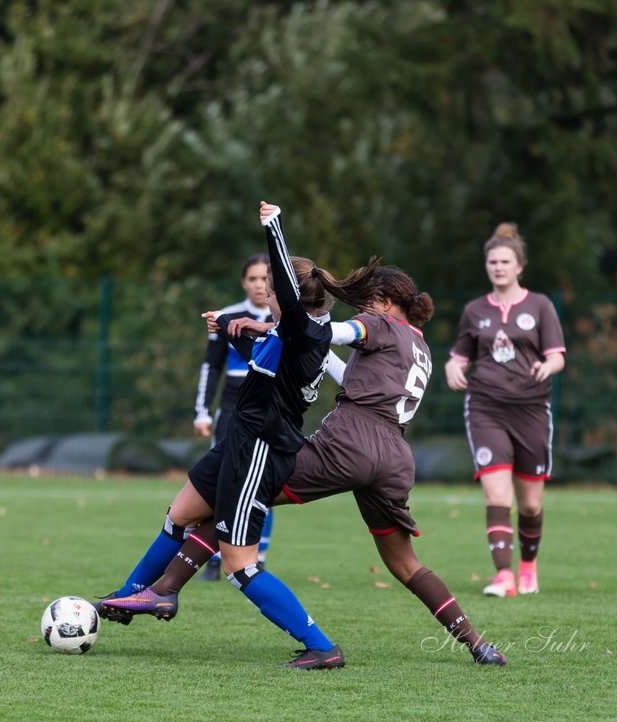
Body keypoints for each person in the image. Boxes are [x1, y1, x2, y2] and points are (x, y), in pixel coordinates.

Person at [101, 247, 507, 666]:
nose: (362, 308)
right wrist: (267, 330)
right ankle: (479, 645)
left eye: (368, 300)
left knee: (237, 495)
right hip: (394, 456)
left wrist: (263, 328)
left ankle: (164, 590)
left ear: (387, 303)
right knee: (406, 565)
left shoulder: (379, 323)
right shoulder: (420, 347)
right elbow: (336, 366)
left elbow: (324, 336)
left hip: (349, 444)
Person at [100, 201, 345, 669]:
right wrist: (236, 332)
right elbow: (267, 358)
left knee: (239, 565)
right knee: (180, 514)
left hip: (260, 452)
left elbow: (286, 313)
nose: (266, 298)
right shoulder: (289, 332)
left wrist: (275, 228)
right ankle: (132, 595)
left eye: (271, 292)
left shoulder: (306, 331)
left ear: (289, 297)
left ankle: (321, 646)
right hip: (239, 440)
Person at [444, 223, 565, 597]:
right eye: (492, 262)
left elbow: (557, 356)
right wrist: (452, 367)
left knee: (529, 505)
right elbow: (459, 356)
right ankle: (503, 576)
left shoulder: (540, 305)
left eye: (505, 261)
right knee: (498, 496)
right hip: (486, 407)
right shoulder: (475, 310)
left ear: (519, 267)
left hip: (531, 409)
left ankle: (527, 566)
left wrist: (548, 366)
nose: (498, 267)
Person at [192, 254, 275, 579]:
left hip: (269, 406)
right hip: (232, 407)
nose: (258, 285)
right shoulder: (226, 317)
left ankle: (258, 555)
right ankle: (214, 558)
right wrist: (202, 412)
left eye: (264, 279)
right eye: (252, 278)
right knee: (222, 482)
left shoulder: (283, 319)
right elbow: (210, 366)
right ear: (244, 281)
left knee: (263, 483)